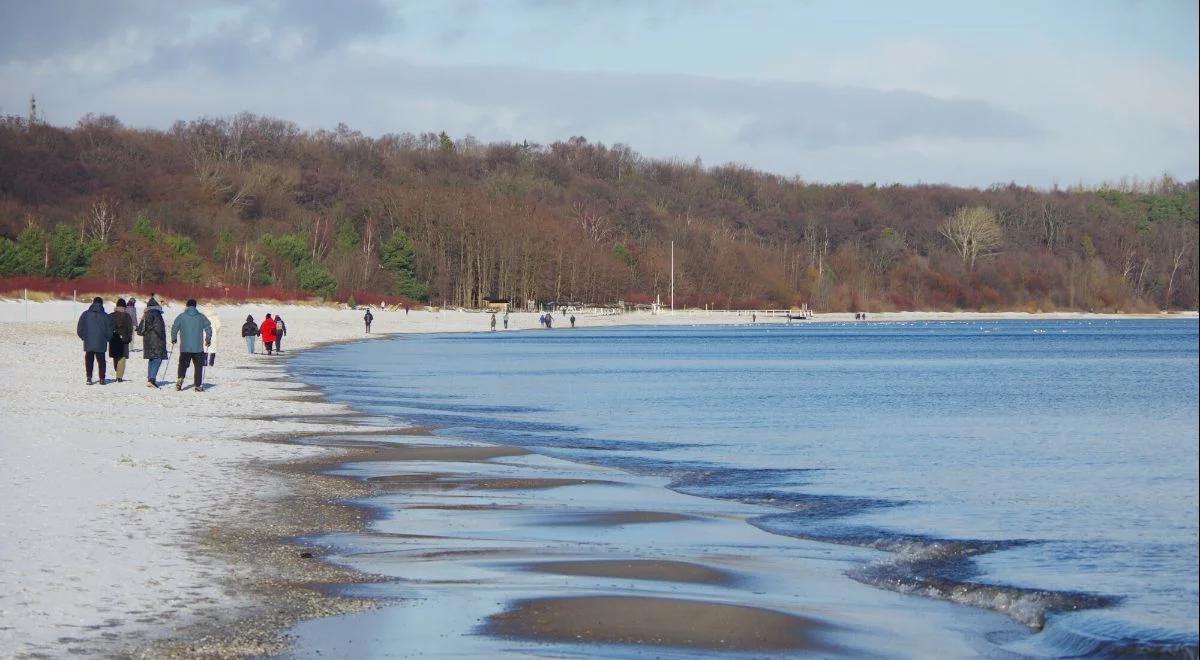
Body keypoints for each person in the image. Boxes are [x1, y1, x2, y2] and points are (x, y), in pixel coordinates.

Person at [170, 298, 212, 392]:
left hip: (185, 347)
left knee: (183, 365)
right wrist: (208, 339)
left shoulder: (181, 316)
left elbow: (175, 327)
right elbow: (208, 328)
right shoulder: (201, 317)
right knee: (198, 367)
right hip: (198, 347)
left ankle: (180, 378)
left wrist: (174, 338)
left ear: (187, 306)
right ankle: (197, 385)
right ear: (195, 306)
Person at [77, 297, 114, 385]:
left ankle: (89, 378)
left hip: (89, 342)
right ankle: (102, 378)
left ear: (93, 303)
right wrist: (107, 338)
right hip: (101, 342)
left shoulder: (85, 314)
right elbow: (109, 330)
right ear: (101, 304)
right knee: (101, 361)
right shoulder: (106, 316)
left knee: (89, 360)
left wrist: (84, 337)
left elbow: (80, 328)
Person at [137, 299, 167, 387]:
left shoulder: (146, 314)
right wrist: (162, 339)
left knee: (151, 359)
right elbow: (159, 328)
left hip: (147, 341)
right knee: (157, 359)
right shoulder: (157, 314)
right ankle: (152, 379)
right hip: (157, 340)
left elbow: (140, 330)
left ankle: (150, 378)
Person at [108, 298, 134, 382]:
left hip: (113, 339)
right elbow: (130, 329)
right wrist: (129, 338)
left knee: (115, 356)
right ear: (124, 306)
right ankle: (119, 376)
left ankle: (117, 370)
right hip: (124, 340)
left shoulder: (111, 315)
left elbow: (108, 327)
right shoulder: (127, 316)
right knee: (122, 358)